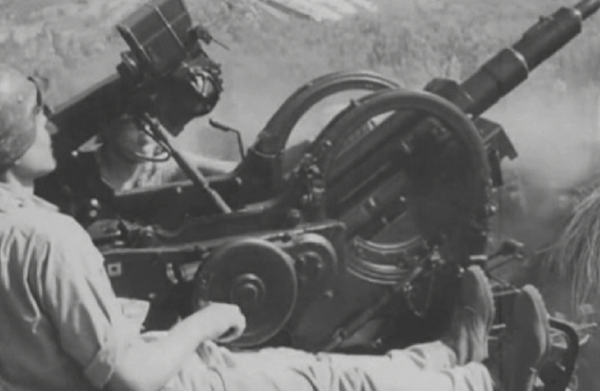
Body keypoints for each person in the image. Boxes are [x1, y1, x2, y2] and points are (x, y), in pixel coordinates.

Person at [0, 63, 550, 391]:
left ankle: (446, 356)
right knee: (317, 379)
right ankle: (489, 379)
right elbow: (133, 378)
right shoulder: (50, 240)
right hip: (144, 379)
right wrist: (208, 320)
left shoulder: (21, 227)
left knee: (302, 366)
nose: (52, 126)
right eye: (35, 118)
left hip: (91, 368)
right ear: (13, 144)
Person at [93, 114, 237, 192]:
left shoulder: (166, 166)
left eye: (152, 121)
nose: (146, 131)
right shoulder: (89, 172)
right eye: (134, 123)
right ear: (111, 128)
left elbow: (233, 172)